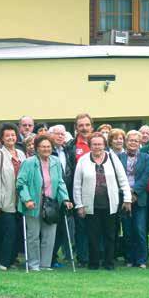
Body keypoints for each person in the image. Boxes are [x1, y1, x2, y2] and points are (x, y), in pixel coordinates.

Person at [73, 132, 131, 270]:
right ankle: (93, 263)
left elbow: (123, 180)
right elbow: (77, 185)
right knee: (92, 235)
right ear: (90, 145)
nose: (97, 147)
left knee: (110, 235)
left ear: (104, 145)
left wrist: (127, 199)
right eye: (94, 144)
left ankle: (109, 262)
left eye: (100, 144)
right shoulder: (83, 160)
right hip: (90, 205)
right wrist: (79, 205)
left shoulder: (113, 158)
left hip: (110, 204)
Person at [17, 133, 71, 271]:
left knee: (49, 235)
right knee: (33, 235)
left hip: (51, 202)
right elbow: (20, 183)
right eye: (42, 146)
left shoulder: (55, 161)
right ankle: (33, 264)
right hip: (33, 202)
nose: (46, 149)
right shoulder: (29, 163)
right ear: (36, 148)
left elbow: (60, 182)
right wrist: (26, 199)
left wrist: (65, 198)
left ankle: (45, 264)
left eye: (48, 146)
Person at [0, 122, 27, 270]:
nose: (10, 138)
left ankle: (10, 259)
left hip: (20, 200)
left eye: (13, 135)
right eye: (7, 135)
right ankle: (4, 262)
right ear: (2, 139)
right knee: (8, 232)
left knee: (16, 232)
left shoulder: (21, 154)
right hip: (6, 201)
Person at [118, 130, 149, 268]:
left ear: (140, 143)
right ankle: (129, 259)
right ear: (126, 142)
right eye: (130, 140)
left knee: (140, 229)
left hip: (140, 198)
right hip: (124, 198)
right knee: (127, 230)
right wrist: (127, 193)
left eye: (136, 141)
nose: (133, 143)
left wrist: (134, 192)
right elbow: (118, 176)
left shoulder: (146, 157)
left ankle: (142, 259)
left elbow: (146, 176)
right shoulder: (119, 157)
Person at [64, 113, 93, 266]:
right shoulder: (70, 146)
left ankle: (98, 255)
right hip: (78, 192)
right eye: (81, 125)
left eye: (87, 125)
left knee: (97, 225)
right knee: (81, 226)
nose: (84, 128)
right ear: (76, 128)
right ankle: (83, 258)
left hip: (99, 191)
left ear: (91, 126)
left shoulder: (100, 143)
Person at [49, 124, 73, 268]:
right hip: (51, 195)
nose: (60, 136)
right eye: (57, 134)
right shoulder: (47, 151)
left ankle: (54, 257)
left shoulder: (67, 151)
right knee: (51, 226)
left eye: (62, 134)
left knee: (62, 228)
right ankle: (49, 257)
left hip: (66, 193)